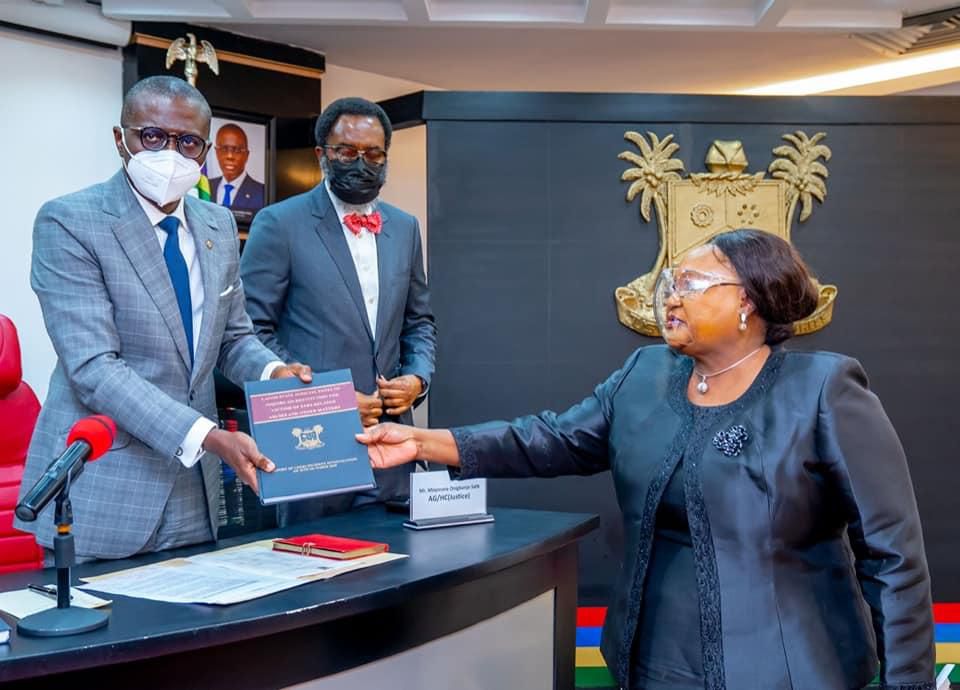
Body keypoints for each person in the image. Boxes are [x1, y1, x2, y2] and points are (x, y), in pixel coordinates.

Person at [357, 229, 935, 690]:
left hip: (786, 666)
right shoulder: (645, 373)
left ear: (748, 300)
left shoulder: (823, 388)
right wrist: (422, 443)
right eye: (671, 282)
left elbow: (892, 554)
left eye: (693, 283)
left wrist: (908, 680)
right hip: (651, 660)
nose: (672, 297)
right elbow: (553, 439)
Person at [16, 76, 311, 562]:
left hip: (195, 494)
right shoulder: (69, 221)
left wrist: (275, 373)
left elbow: (233, 337)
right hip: (106, 490)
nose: (170, 153)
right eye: (152, 136)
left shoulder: (217, 224)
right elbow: (94, 368)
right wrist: (209, 437)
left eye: (188, 142)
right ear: (121, 139)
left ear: (205, 152)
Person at [240, 97, 436, 522]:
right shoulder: (279, 224)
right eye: (347, 152)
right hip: (311, 444)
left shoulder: (405, 227)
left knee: (399, 558)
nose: (361, 163)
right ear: (322, 154)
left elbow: (418, 321)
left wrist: (417, 378)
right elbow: (249, 333)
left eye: (373, 154)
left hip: (391, 444)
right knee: (314, 559)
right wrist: (326, 397)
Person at [208, 123, 265, 212]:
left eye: (237, 150)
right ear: (216, 152)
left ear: (246, 155)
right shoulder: (206, 187)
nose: (230, 156)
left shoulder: (262, 192)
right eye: (224, 149)